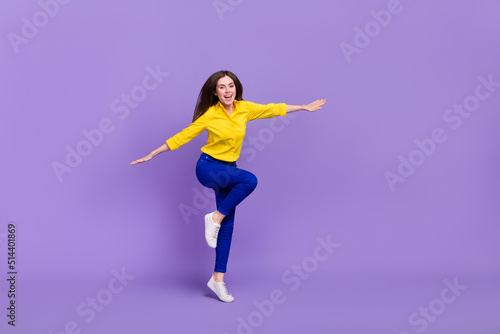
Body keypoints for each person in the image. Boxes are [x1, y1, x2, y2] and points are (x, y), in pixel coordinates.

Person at [131, 70, 326, 302]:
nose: (227, 91)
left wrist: (304, 107)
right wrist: (153, 153)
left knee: (228, 227)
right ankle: (214, 217)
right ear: (215, 91)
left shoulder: (244, 109)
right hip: (208, 168)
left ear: (236, 88)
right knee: (249, 180)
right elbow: (183, 136)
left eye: (230, 86)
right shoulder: (210, 115)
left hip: (229, 170)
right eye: (222, 87)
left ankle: (218, 280)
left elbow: (273, 109)